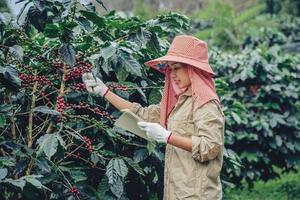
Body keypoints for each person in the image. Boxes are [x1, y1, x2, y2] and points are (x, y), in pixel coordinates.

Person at [82, 35, 225, 200]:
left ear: (192, 69)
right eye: (170, 69)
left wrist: (167, 137)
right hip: (177, 191)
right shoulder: (179, 102)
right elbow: (142, 114)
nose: (172, 74)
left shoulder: (205, 103)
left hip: (198, 194)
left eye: (177, 68)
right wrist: (105, 92)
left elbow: (210, 147)